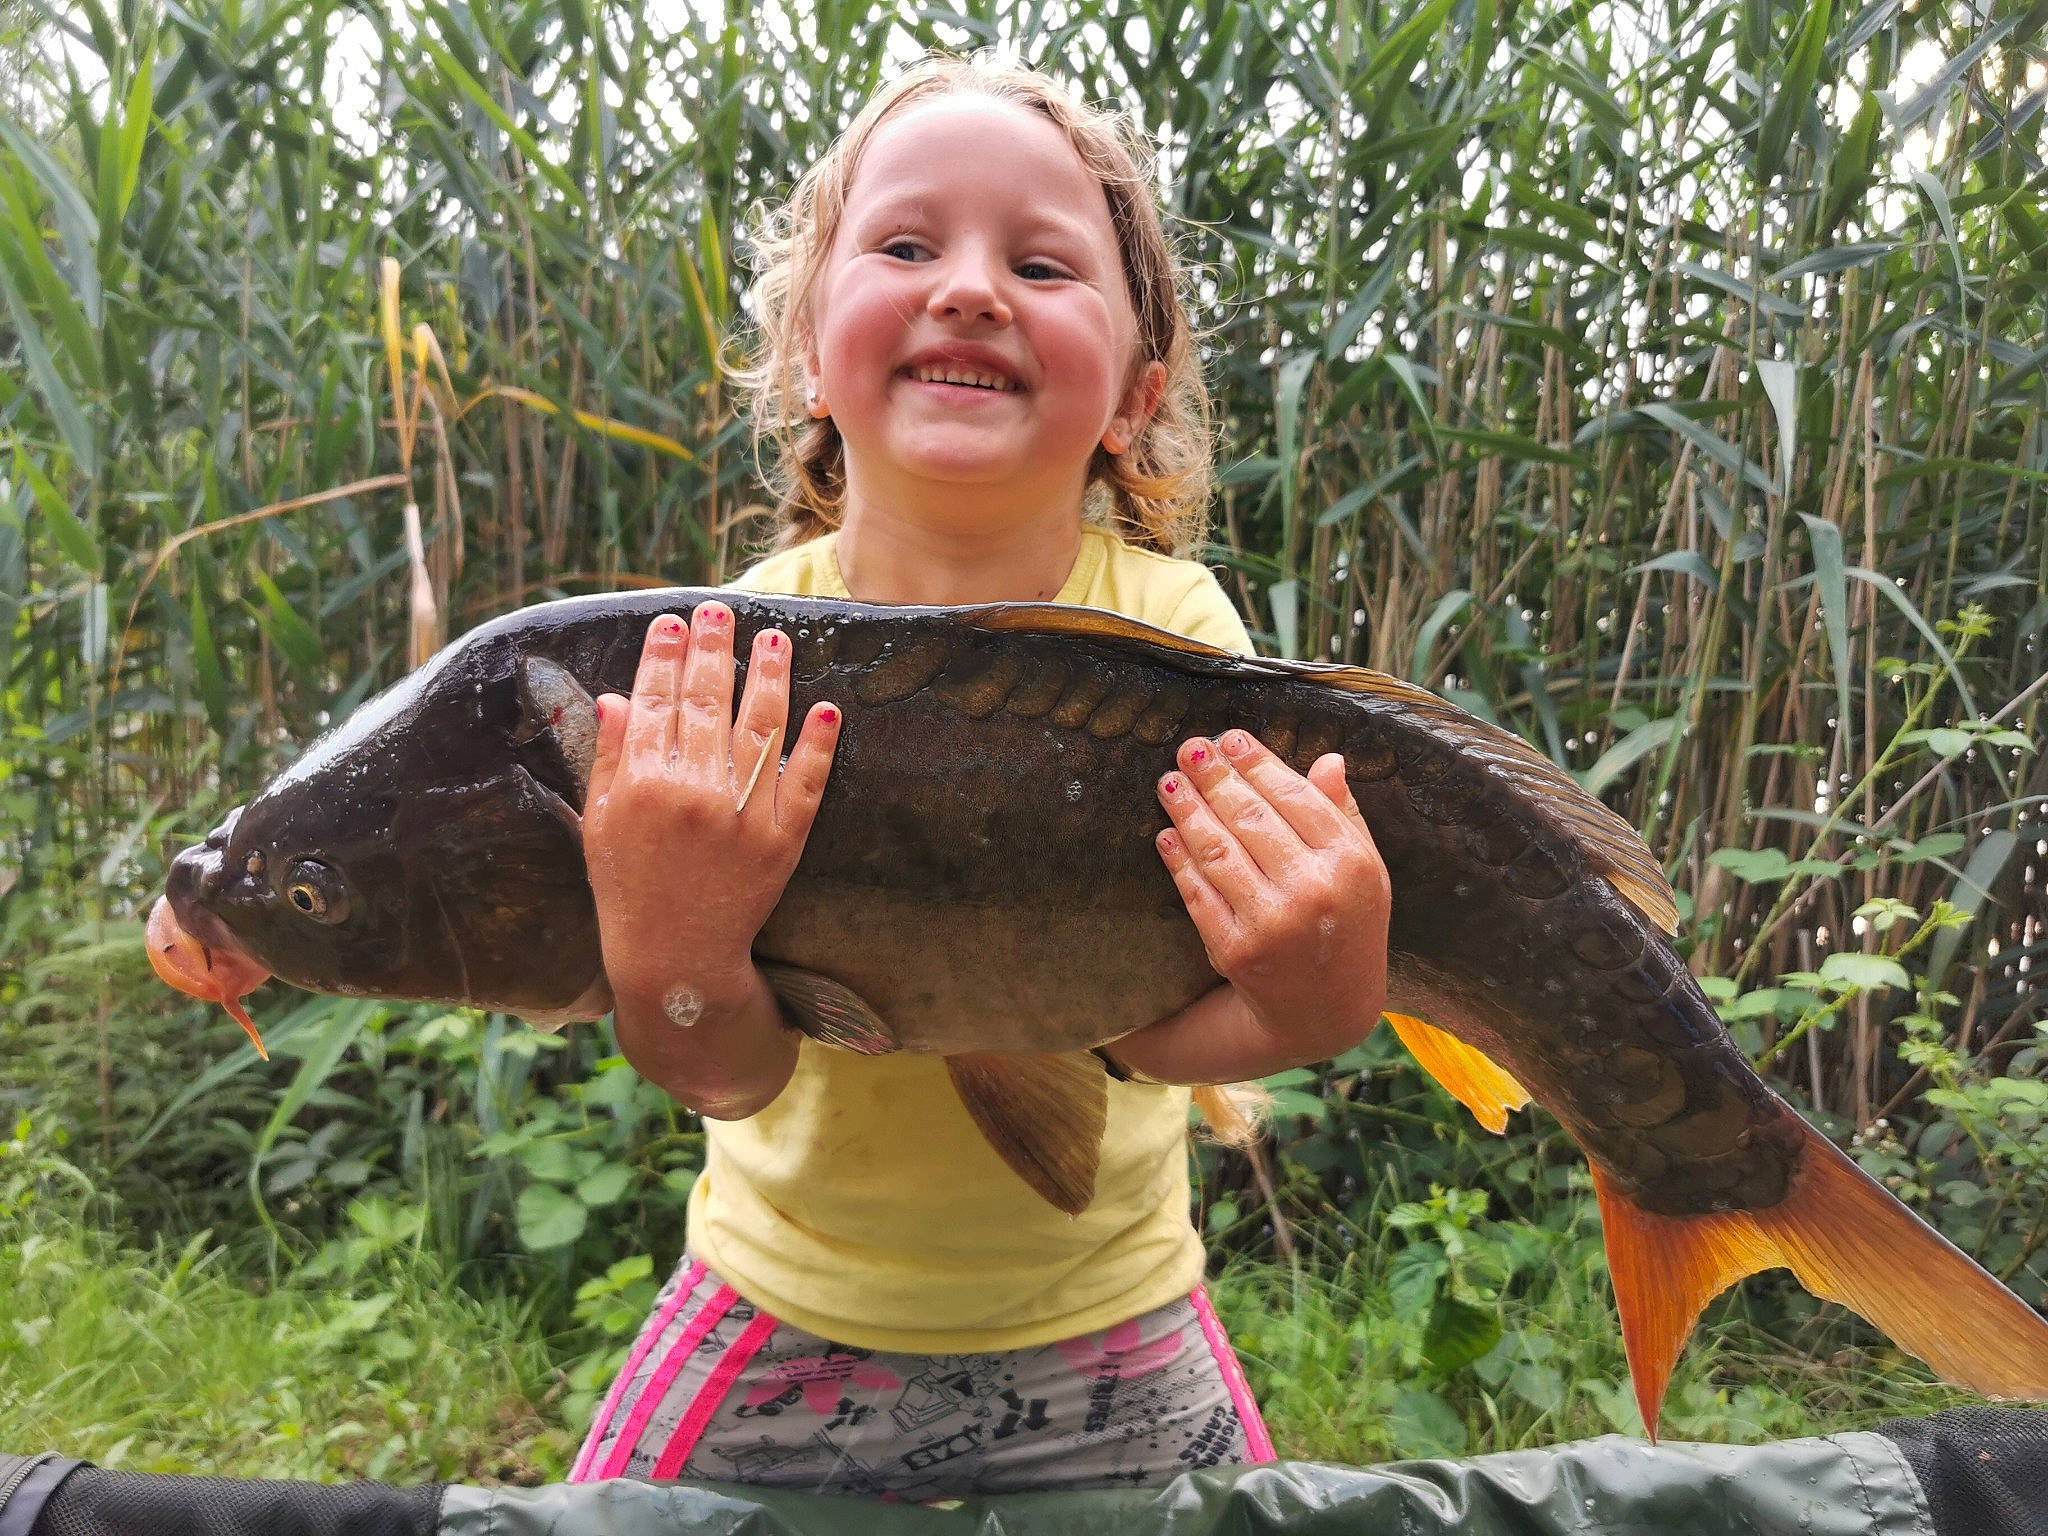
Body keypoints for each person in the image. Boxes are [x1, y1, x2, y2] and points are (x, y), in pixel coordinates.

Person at [567, 53, 1392, 1498]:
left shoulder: (1182, 637)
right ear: (813, 355)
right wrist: (671, 943)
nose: (967, 287)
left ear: (1135, 396)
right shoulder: (726, 647)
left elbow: (1159, 1033)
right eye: (903, 245)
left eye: (1040, 261)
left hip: (1118, 1315)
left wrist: (1310, 1005)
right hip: (776, 1309)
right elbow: (724, 1066)